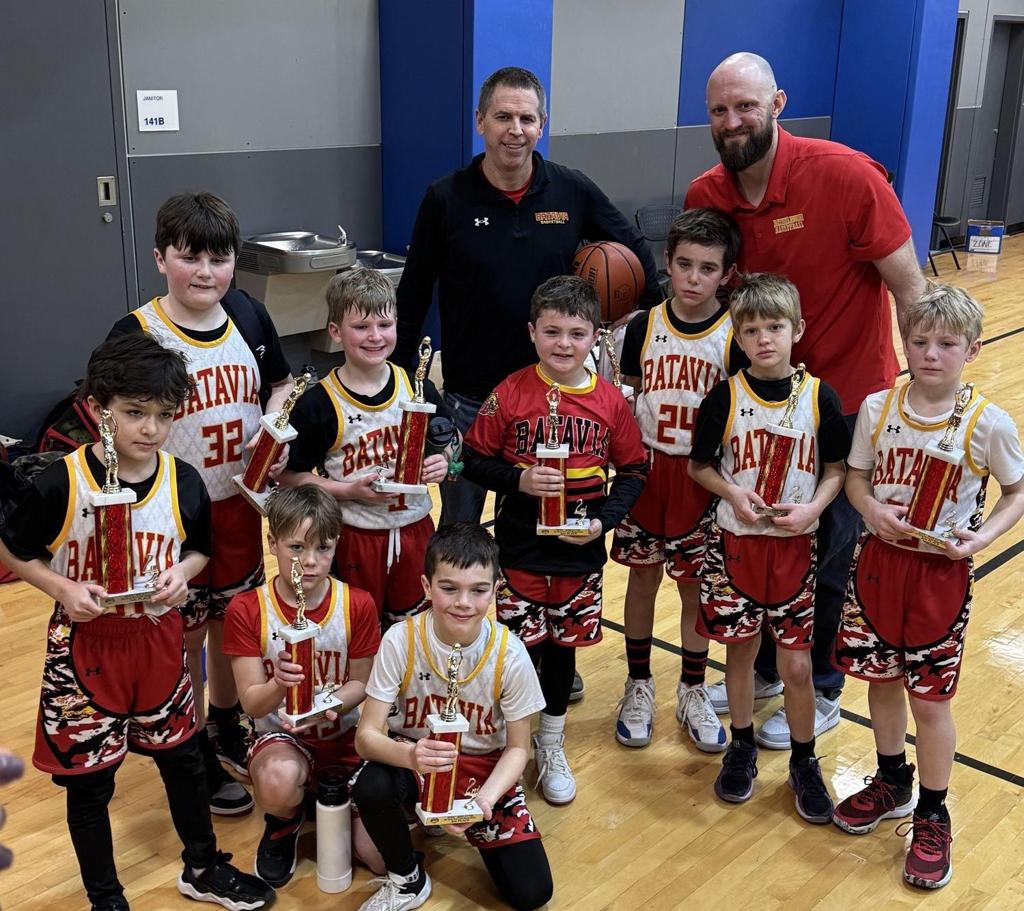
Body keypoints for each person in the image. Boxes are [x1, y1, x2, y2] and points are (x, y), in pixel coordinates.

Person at [685, 52, 928, 747]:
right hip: (759, 407)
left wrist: (917, 404)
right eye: (719, 110)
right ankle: (769, 667)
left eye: (746, 106)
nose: (733, 121)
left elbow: (910, 288)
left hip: (844, 404)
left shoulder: (846, 175)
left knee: (830, 549)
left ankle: (822, 684)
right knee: (764, 541)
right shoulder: (707, 193)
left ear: (778, 103)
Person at [0, 334, 274, 911]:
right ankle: (106, 898)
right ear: (98, 409)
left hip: (158, 640)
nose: (150, 428)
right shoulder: (60, 481)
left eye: (164, 415)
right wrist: (61, 587)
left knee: (184, 760)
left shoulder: (184, 480)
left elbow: (199, 548)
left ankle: (202, 867)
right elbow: (14, 548)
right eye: (134, 413)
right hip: (84, 645)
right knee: (90, 785)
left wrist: (182, 574)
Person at [394, 65, 662, 532]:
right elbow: (413, 294)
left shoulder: (571, 189)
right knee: (460, 533)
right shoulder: (446, 198)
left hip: (553, 398)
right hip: (471, 396)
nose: (515, 130)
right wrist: (399, 378)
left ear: (542, 125)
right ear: (480, 121)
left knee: (540, 530)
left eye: (527, 118)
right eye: (503, 117)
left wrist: (649, 319)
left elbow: (634, 249)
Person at [832, 284, 1024, 889]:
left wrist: (982, 537)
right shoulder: (877, 407)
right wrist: (869, 508)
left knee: (931, 701)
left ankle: (934, 813)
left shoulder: (989, 422)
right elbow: (857, 477)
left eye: (946, 344)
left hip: (939, 574)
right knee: (880, 682)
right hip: (877, 563)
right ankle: (893, 779)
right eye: (919, 342)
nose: (931, 354)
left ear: (973, 350)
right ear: (905, 343)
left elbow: (1017, 492)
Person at [108, 191, 295, 814]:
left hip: (239, 503)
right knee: (182, 635)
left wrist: (273, 427)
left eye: (219, 259)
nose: (206, 273)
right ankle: (187, 744)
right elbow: (106, 421)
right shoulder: (136, 334)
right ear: (160, 258)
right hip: (169, 516)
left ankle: (223, 721)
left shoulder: (246, 312)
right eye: (190, 258)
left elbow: (280, 384)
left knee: (230, 626)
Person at [462, 275, 647, 805]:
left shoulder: (610, 401)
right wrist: (517, 480)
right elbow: (473, 460)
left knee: (563, 652)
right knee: (519, 650)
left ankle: (551, 740)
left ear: (595, 337)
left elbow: (634, 471)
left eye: (576, 333)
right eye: (552, 332)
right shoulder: (508, 392)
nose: (564, 344)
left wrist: (603, 522)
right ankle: (512, 739)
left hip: (578, 551)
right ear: (531, 332)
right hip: (519, 546)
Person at [687, 274, 850, 823]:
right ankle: (740, 746)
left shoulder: (820, 396)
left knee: (797, 666)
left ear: (796, 330)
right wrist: (732, 492)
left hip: (794, 549)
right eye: (752, 330)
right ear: (738, 336)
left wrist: (814, 508)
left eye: (775, 327)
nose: (764, 339)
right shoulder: (725, 396)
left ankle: (804, 761)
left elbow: (836, 469)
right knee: (738, 653)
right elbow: (699, 466)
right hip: (735, 546)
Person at [351, 523, 553, 911]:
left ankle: (452, 819)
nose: (463, 602)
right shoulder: (400, 640)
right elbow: (366, 737)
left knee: (532, 893)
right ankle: (407, 879)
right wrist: (412, 756)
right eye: (449, 588)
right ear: (426, 586)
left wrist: (485, 800)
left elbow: (517, 749)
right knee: (372, 786)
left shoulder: (510, 655)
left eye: (478, 590)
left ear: (496, 590)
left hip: (483, 771)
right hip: (418, 761)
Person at [611, 207, 748, 751]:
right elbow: (628, 393)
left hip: (701, 475)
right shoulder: (643, 326)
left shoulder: (735, 334)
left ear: (726, 274)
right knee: (642, 579)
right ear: (667, 262)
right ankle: (638, 683)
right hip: (647, 470)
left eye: (707, 268)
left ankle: (692, 688)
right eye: (685, 264)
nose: (693, 278)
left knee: (694, 588)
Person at [224, 485, 383, 887]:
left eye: (323, 548)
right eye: (296, 547)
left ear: (336, 544)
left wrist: (328, 704)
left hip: (345, 738)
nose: (310, 561)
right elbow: (253, 704)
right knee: (278, 780)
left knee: (379, 859)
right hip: (281, 740)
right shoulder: (247, 608)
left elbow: (361, 683)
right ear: (272, 543)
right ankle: (284, 823)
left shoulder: (357, 603)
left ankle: (335, 799)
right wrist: (280, 683)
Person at [279, 267, 455, 628]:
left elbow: (451, 440)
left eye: (384, 325)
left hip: (415, 530)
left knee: (413, 633)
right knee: (356, 631)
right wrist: (347, 491)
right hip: (351, 536)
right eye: (361, 327)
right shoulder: (318, 403)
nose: (375, 336)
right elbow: (287, 477)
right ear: (335, 332)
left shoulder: (418, 387)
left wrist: (445, 460)